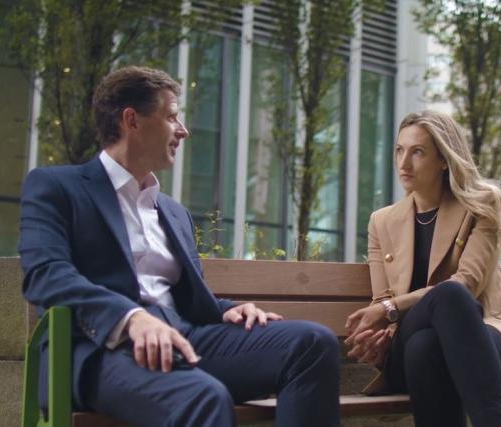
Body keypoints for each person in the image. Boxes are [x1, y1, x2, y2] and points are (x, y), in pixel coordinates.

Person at [19, 66, 340, 427]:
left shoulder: (173, 212)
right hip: (100, 351)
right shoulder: (56, 187)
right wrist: (130, 318)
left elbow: (180, 297)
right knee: (203, 397)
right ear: (132, 120)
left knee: (313, 343)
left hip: (183, 337)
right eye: (172, 116)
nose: (183, 130)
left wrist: (228, 310)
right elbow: (45, 275)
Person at [344, 110, 501, 427]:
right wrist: (382, 328)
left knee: (430, 338)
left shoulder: (482, 205)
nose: (404, 163)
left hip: (487, 333)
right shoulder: (382, 221)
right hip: (405, 340)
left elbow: (466, 284)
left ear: (444, 159)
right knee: (431, 322)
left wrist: (390, 308)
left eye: (418, 152)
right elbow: (382, 298)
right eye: (399, 150)